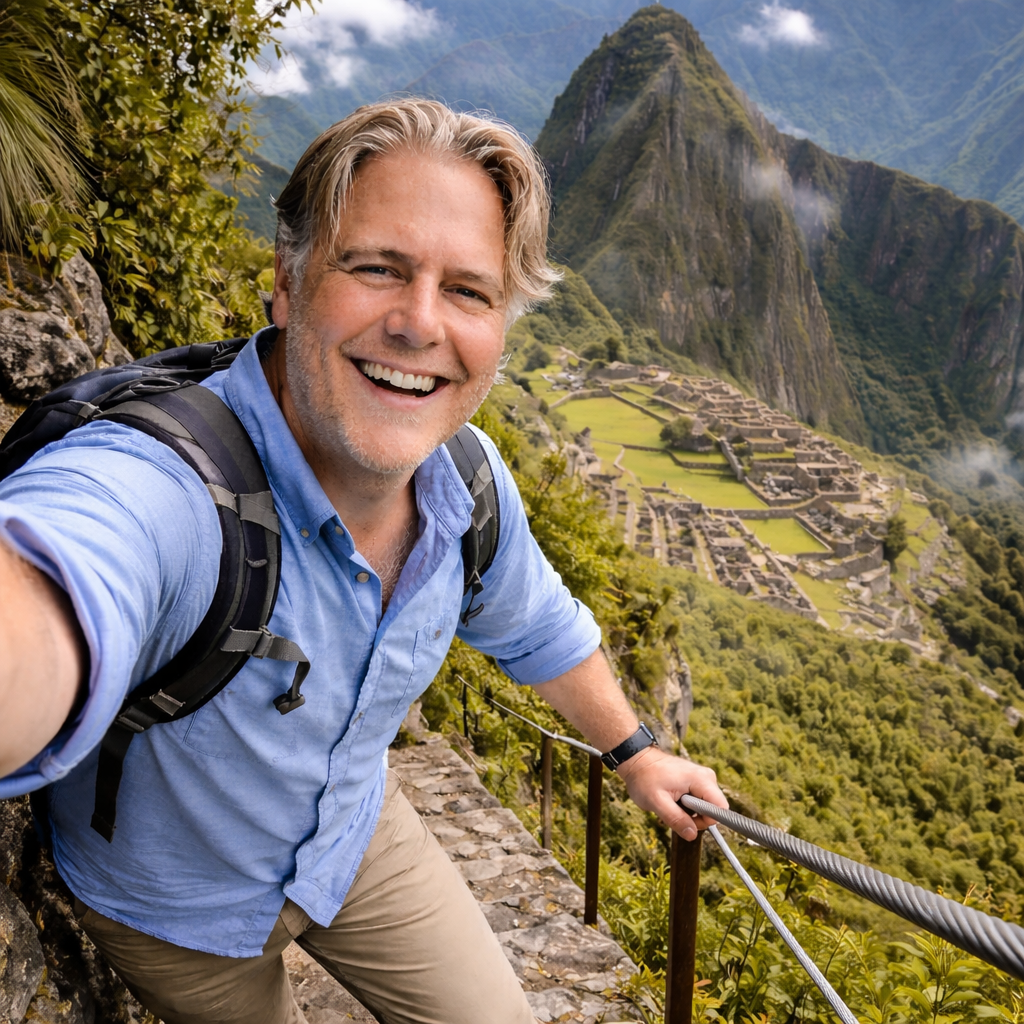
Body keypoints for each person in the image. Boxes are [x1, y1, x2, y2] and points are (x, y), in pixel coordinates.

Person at [0, 99, 727, 1024]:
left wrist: (635, 753)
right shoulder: (173, 487)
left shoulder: (466, 486)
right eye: (377, 268)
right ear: (288, 281)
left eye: (468, 291)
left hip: (352, 838)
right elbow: (69, 566)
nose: (419, 323)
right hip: (174, 907)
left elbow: (540, 626)